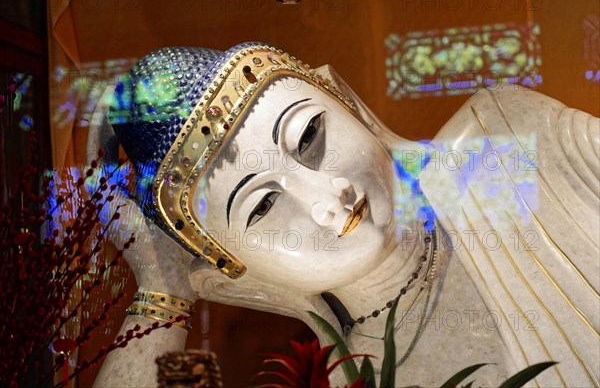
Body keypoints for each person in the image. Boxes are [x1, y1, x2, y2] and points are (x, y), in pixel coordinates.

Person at [92, 43, 599, 387]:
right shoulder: (354, 373)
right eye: (262, 205)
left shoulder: (501, 144)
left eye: (309, 136)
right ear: (228, 271)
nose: (328, 196)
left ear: (345, 102)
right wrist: (163, 287)